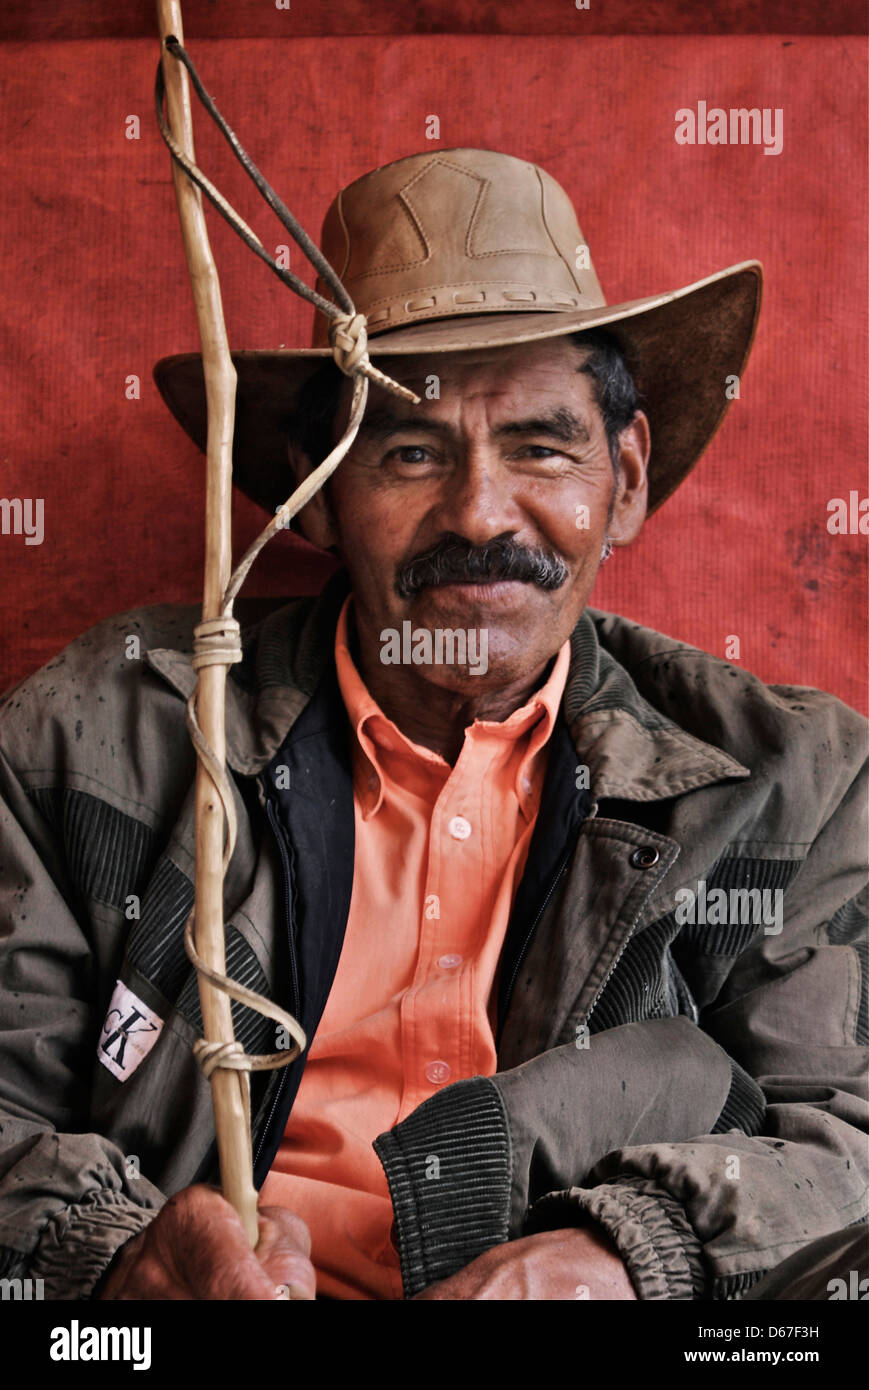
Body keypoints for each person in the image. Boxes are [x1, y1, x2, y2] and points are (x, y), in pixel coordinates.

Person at [0, 148, 865, 1302]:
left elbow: (844, 1132)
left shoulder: (792, 781)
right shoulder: (103, 732)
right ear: (312, 489)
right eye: (409, 449)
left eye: (541, 446)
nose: (477, 513)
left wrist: (631, 1258)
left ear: (627, 475)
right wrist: (106, 1266)